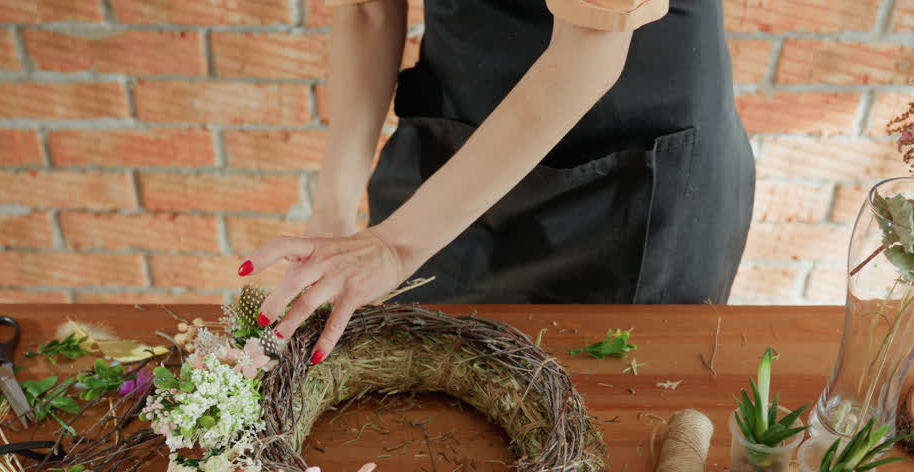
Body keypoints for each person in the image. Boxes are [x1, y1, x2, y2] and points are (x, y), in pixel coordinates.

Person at [240, 0, 754, 364]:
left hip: (635, 175)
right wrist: (333, 211)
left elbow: (591, 48)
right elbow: (367, 9)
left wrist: (394, 246)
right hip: (458, 139)